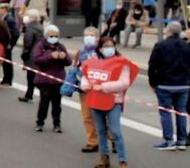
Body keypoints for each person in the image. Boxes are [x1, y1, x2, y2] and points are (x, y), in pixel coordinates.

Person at [81, 34, 136, 168]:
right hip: (95, 101)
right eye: (106, 46)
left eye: (111, 46)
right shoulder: (92, 61)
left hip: (113, 102)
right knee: (100, 131)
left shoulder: (121, 63)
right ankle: (104, 158)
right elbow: (85, 77)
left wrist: (103, 87)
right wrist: (85, 85)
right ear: (100, 48)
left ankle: (123, 160)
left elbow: (124, 83)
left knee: (115, 132)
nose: (109, 49)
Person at [148, 20, 190, 151]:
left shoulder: (161, 45)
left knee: (166, 112)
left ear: (168, 31)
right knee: (181, 112)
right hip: (184, 84)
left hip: (165, 84)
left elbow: (153, 66)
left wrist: (153, 83)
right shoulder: (187, 45)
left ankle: (168, 140)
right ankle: (181, 140)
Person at [31, 23, 70, 133]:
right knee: (44, 101)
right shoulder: (40, 46)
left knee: (57, 103)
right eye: (51, 36)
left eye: (56, 36)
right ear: (46, 36)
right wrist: (50, 56)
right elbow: (37, 60)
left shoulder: (61, 46)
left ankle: (57, 124)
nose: (54, 38)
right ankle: (40, 122)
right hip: (44, 80)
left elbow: (69, 62)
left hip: (58, 80)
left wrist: (64, 57)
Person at [75, 26, 103, 154]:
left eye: (91, 35)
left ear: (97, 37)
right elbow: (75, 67)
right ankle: (92, 142)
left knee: (103, 116)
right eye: (86, 35)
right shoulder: (80, 52)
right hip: (84, 88)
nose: (89, 38)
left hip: (99, 89)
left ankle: (113, 139)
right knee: (87, 116)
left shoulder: (102, 51)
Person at [18, 8, 43, 103]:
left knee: (31, 78)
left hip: (32, 56)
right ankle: (29, 95)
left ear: (32, 17)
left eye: (27, 15)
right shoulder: (40, 27)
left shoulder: (30, 28)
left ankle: (35, 95)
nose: (25, 17)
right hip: (40, 54)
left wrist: (24, 55)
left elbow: (27, 43)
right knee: (34, 76)